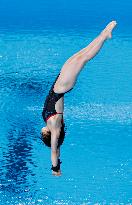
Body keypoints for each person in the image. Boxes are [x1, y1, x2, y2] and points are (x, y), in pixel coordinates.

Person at [41, 21, 117, 176]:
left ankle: (104, 33)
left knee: (81, 54)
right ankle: (104, 36)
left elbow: (57, 150)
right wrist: (55, 168)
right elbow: (54, 150)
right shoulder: (55, 127)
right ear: (48, 135)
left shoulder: (51, 124)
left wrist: (58, 160)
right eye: (43, 136)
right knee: (84, 58)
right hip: (62, 87)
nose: (41, 133)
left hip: (59, 84)